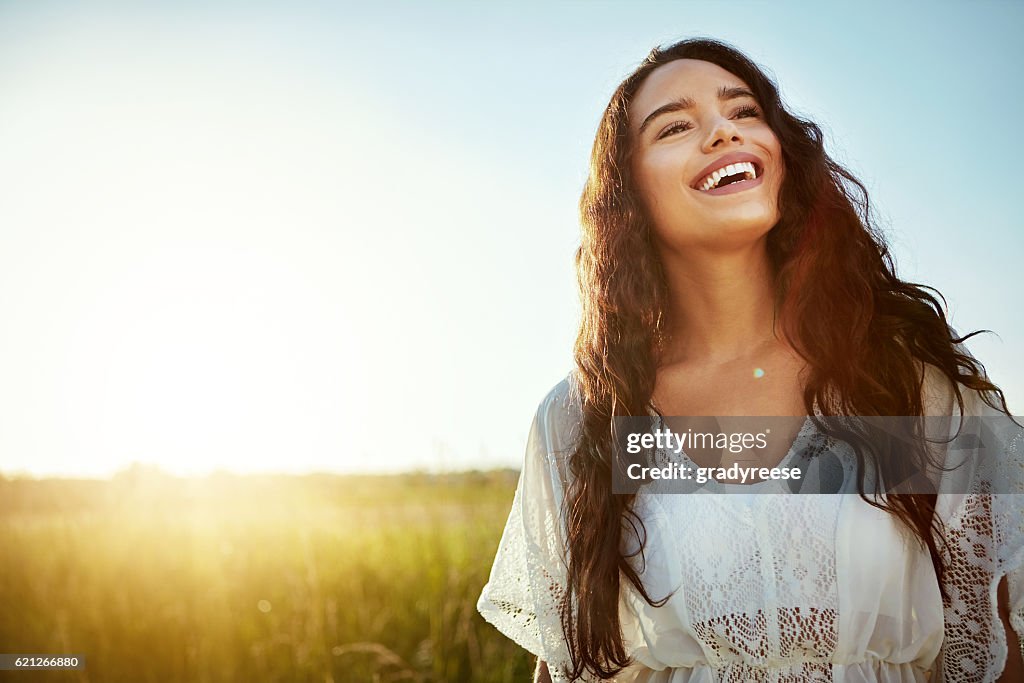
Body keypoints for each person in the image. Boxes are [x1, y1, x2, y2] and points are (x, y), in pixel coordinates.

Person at [476, 38, 1024, 683]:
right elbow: (567, 664)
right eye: (676, 125)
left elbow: (995, 643)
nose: (721, 132)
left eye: (743, 112)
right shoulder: (591, 418)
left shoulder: (895, 384)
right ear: (629, 195)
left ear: (780, 154)